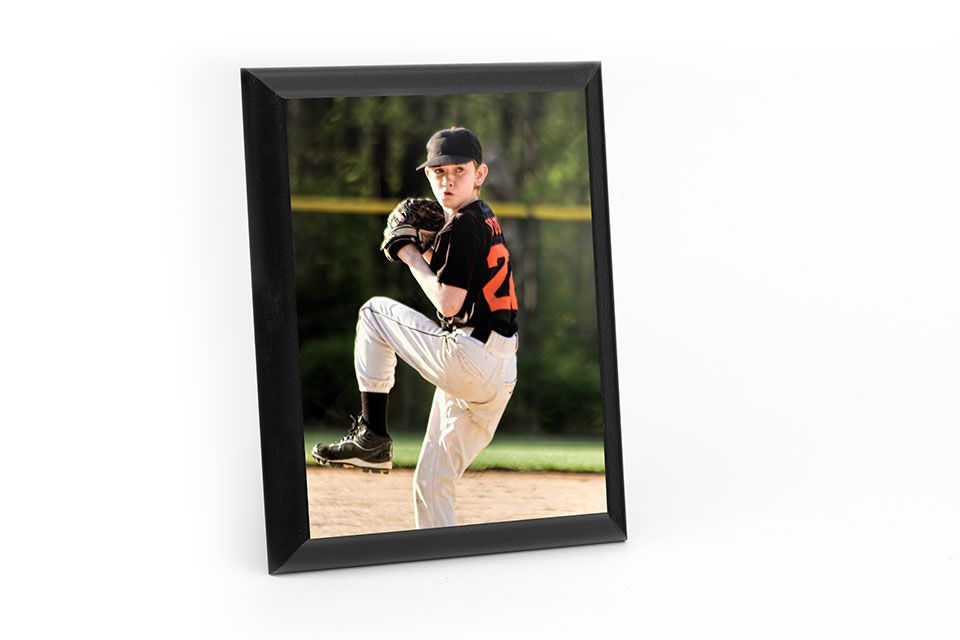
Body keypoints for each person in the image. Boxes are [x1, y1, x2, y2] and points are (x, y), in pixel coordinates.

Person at [311, 127, 519, 529]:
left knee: (373, 313)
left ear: (480, 174)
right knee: (432, 481)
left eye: (459, 170)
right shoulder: (483, 218)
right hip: (499, 372)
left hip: (469, 359)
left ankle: (372, 433)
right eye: (439, 172)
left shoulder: (463, 224)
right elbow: (463, 290)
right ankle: (444, 567)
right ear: (428, 175)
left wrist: (409, 253)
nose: (448, 179)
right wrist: (429, 248)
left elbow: (447, 302)